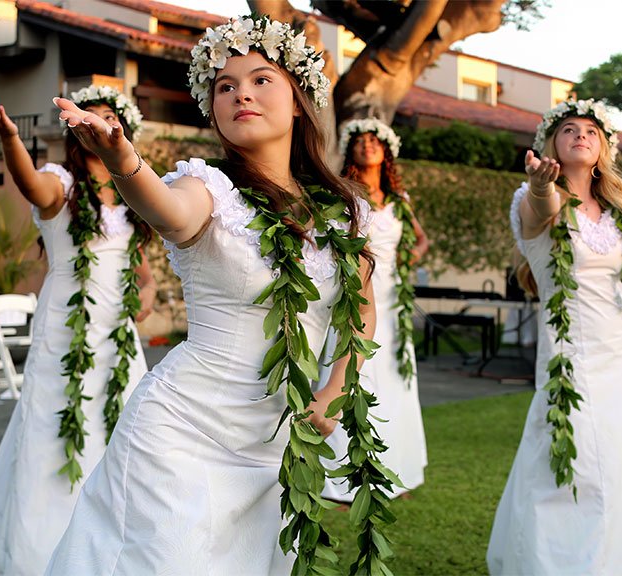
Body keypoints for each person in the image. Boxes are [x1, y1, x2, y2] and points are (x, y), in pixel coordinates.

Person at [46, 16, 384, 574]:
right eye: (224, 86)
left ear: (298, 100)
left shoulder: (344, 211)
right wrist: (123, 161)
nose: (241, 94)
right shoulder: (208, 187)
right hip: (181, 433)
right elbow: (169, 211)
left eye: (260, 80)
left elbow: (360, 316)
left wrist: (333, 391)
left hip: (278, 442)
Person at [0, 86, 154, 576]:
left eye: (108, 117)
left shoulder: (132, 198)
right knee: (51, 434)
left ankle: (107, 551)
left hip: (117, 339)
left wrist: (143, 299)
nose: (97, 123)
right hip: (66, 328)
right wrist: (10, 140)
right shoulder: (60, 185)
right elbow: (30, 185)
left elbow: (142, 274)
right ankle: (36, 556)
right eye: (90, 116)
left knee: (118, 432)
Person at [487, 99, 622, 575]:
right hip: (572, 354)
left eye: (590, 130)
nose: (580, 135)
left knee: (620, 459)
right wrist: (542, 185)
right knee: (572, 459)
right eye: (568, 129)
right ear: (552, 143)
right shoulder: (534, 193)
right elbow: (537, 215)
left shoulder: (620, 200)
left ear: (603, 144)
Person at [317, 118, 429, 502]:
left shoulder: (399, 201)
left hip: (392, 299)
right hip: (354, 294)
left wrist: (405, 264)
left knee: (394, 381)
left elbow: (420, 241)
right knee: (351, 373)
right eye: (361, 142)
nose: (367, 147)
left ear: (386, 153)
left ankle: (396, 470)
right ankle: (342, 481)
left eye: (374, 142)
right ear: (351, 150)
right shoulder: (342, 193)